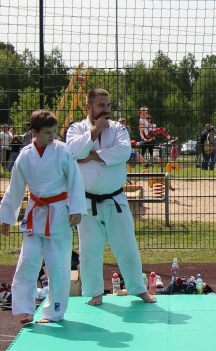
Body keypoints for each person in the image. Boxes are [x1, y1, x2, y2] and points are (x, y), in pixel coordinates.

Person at [66, 88, 156, 306]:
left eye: (108, 105)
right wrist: (95, 130)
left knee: (127, 246)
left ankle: (138, 289)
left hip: (116, 199)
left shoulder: (118, 128)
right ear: (89, 107)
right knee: (90, 250)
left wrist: (93, 156)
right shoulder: (76, 128)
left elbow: (123, 152)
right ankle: (94, 292)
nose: (106, 109)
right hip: (87, 201)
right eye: (101, 105)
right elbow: (74, 151)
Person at [0, 110, 85, 325]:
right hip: (35, 213)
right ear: (34, 132)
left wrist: (76, 209)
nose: (52, 136)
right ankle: (25, 309)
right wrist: (7, 217)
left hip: (59, 213)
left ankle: (54, 311)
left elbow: (75, 180)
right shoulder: (25, 155)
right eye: (47, 132)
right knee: (27, 262)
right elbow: (15, 188)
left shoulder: (63, 151)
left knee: (58, 265)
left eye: (54, 131)